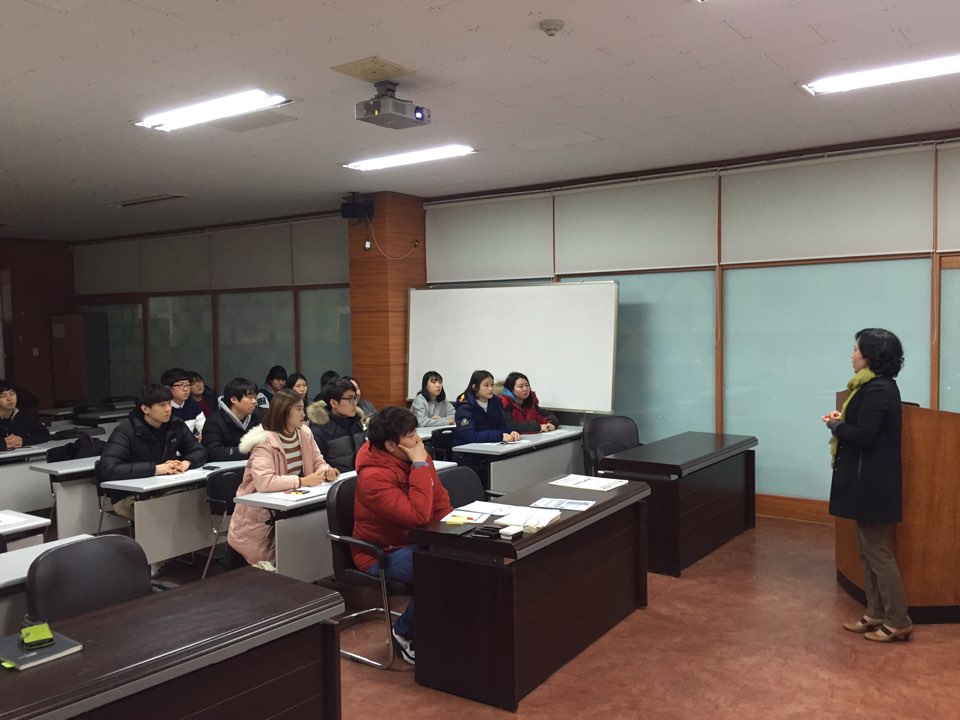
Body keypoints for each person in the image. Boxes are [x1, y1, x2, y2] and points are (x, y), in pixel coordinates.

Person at [823, 328, 912, 643]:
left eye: (856, 350)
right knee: (867, 551)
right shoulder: (870, 387)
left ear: (871, 356)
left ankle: (898, 620)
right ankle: (875, 612)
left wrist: (836, 426)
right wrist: (842, 422)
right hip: (866, 481)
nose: (852, 355)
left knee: (879, 553)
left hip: (873, 484)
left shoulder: (878, 390)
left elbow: (864, 436)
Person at [353, 406, 453, 665]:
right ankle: (402, 633)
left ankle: (450, 627)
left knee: (471, 559)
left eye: (415, 432)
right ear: (390, 445)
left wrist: (453, 534)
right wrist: (420, 465)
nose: (418, 439)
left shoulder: (416, 455)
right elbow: (417, 515)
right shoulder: (373, 477)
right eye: (410, 435)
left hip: (418, 539)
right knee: (440, 572)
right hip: (382, 552)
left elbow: (439, 499)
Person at [229, 389, 339, 565]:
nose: (303, 414)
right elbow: (265, 482)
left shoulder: (304, 433)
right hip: (260, 512)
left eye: (303, 408)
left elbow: (318, 461)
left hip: (290, 503)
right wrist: (303, 481)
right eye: (298, 409)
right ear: (284, 412)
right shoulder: (264, 441)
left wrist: (326, 471)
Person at [97, 383, 207, 518]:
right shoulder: (126, 431)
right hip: (130, 495)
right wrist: (156, 469)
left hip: (167, 487)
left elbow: (199, 451)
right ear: (145, 408)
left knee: (195, 502)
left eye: (169, 403)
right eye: (162, 405)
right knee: (171, 511)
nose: (168, 409)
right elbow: (108, 468)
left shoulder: (175, 424)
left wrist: (185, 463)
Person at [306, 378, 366, 472]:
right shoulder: (320, 429)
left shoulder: (357, 422)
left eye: (355, 398)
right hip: (335, 479)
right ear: (333, 403)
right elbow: (317, 466)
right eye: (350, 399)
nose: (355, 403)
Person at [201, 377, 265, 461]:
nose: (254, 401)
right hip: (227, 467)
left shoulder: (260, 415)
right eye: (250, 397)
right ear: (233, 399)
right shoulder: (214, 422)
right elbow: (214, 451)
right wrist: (248, 451)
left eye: (255, 398)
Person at [453, 370, 520, 444]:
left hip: (490, 446)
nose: (490, 388)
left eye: (492, 385)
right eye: (486, 385)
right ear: (475, 387)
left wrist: (511, 431)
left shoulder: (495, 402)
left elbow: (502, 425)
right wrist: (499, 436)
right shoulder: (464, 407)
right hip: (467, 448)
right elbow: (470, 435)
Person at [0, 381, 50, 448]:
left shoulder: (24, 413)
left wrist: (23, 441)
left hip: (20, 453)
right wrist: (3, 444)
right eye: (3, 396)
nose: (9, 399)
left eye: (12, 394)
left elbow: (44, 434)